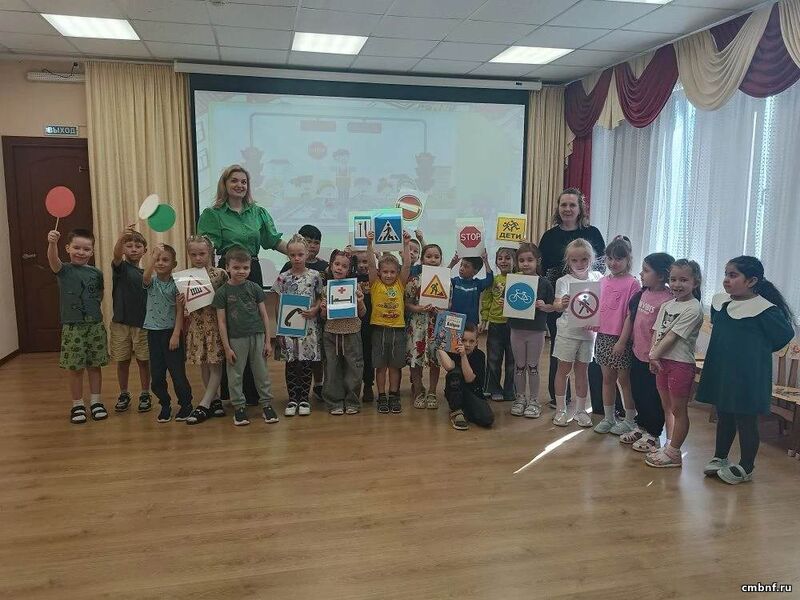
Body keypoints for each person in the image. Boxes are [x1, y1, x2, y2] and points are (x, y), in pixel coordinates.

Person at [696, 256, 794, 484]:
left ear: (751, 281)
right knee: (724, 415)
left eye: (733, 275)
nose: (726, 280)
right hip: (723, 370)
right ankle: (720, 457)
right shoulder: (720, 302)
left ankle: (746, 466)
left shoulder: (765, 310)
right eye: (726, 274)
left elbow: (783, 336)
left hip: (749, 375)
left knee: (746, 419)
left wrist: (754, 353)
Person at [197, 164, 287, 407]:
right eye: (234, 181)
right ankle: (233, 392)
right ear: (225, 184)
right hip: (226, 274)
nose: (239, 185)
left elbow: (274, 241)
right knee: (233, 328)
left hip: (252, 271)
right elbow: (205, 250)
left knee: (253, 327)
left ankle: (253, 391)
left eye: (244, 182)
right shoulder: (212, 214)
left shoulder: (258, 212)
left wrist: (298, 254)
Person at [539, 188, 606, 408]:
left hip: (589, 305)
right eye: (563, 205)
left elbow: (602, 267)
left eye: (572, 205)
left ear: (580, 208)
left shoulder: (593, 233)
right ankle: (559, 399)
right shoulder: (549, 236)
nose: (567, 209)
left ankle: (596, 403)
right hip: (559, 300)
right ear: (558, 208)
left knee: (589, 356)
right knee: (560, 351)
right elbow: (542, 269)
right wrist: (555, 302)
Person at [644, 260, 704, 468]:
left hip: (680, 364)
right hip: (662, 361)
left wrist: (654, 355)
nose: (677, 284)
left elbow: (672, 336)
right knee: (667, 407)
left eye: (684, 280)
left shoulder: (694, 308)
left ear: (695, 282)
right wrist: (653, 356)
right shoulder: (667, 305)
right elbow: (657, 332)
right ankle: (669, 445)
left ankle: (674, 452)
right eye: (674, 279)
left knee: (679, 410)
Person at [47, 228, 109, 424]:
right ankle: (77, 404)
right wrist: (52, 243)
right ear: (68, 248)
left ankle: (96, 402)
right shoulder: (64, 270)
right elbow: (53, 260)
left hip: (95, 326)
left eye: (86, 249)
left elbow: (99, 295)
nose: (81, 252)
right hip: (73, 327)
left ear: (92, 251)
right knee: (75, 368)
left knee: (95, 366)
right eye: (76, 248)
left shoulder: (97, 273)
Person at [213, 246, 278, 426]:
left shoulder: (255, 288)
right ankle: (239, 408)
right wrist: (227, 347)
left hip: (257, 336)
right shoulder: (222, 293)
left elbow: (264, 315)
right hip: (235, 339)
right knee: (235, 374)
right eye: (236, 267)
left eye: (245, 268)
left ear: (250, 268)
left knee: (261, 372)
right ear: (227, 267)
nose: (241, 271)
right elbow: (221, 322)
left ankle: (266, 404)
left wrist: (267, 341)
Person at [619, 253, 675, 453]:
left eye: (646, 270)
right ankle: (641, 426)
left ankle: (653, 433)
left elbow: (664, 332)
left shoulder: (668, 300)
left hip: (654, 359)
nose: (641, 274)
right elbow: (633, 319)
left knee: (653, 397)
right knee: (639, 392)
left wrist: (655, 354)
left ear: (661, 275)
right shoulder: (643, 293)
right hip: (638, 353)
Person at [551, 239, 602, 427]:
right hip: (567, 334)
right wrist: (561, 303)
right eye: (574, 260)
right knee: (563, 371)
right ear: (568, 261)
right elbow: (557, 305)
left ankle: (581, 411)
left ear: (591, 259)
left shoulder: (598, 277)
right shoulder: (563, 281)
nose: (579, 264)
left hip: (588, 336)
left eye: (584, 259)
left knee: (582, 372)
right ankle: (560, 410)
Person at [593, 236, 640, 435]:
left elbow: (631, 315)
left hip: (622, 339)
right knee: (607, 379)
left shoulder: (633, 283)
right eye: (610, 258)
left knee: (624, 380)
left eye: (619, 258)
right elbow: (596, 307)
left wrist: (622, 341)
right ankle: (609, 418)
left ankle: (629, 420)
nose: (613, 263)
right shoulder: (602, 281)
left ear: (628, 259)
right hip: (603, 337)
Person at [142, 244, 193, 423]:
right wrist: (153, 256)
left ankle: (186, 404)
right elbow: (145, 276)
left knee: (178, 375)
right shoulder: (151, 282)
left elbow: (179, 311)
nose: (160, 263)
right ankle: (165, 404)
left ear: (174, 264)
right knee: (156, 376)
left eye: (165, 260)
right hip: (153, 334)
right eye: (157, 260)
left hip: (171, 334)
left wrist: (176, 334)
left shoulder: (177, 284)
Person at [274, 235, 323, 417]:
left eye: (300, 254)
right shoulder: (283, 278)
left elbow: (320, 297)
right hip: (288, 328)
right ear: (288, 255)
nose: (296, 258)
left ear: (306, 254)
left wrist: (315, 309)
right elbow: (278, 303)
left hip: (308, 327)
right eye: (292, 255)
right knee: (291, 362)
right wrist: (279, 327)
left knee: (306, 362)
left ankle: (304, 399)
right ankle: (292, 399)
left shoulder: (315, 276)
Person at [183, 235, 229, 425]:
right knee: (203, 363)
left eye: (202, 253)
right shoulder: (185, 276)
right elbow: (185, 305)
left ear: (210, 252)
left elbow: (228, 298)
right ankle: (214, 399)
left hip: (215, 326)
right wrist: (183, 303)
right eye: (193, 254)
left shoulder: (220, 274)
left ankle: (204, 404)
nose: (198, 258)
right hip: (197, 326)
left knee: (215, 364)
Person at [367, 229, 412, 414]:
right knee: (380, 367)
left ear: (397, 272)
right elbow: (371, 265)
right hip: (379, 330)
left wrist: (406, 244)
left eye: (392, 272)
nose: (388, 275)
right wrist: (369, 244)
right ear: (379, 272)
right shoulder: (375, 283)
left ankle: (394, 395)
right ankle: (382, 396)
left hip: (398, 331)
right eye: (385, 272)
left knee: (395, 366)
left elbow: (407, 265)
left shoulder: (400, 284)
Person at [508, 242, 555, 418]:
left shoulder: (544, 283)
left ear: (537, 261)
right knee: (519, 366)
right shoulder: (513, 281)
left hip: (536, 330)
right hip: (516, 329)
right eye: (521, 260)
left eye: (530, 260)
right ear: (517, 262)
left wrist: (544, 306)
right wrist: (504, 303)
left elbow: (553, 307)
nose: (525, 264)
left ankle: (534, 400)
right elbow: (508, 302)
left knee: (533, 366)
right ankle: (520, 398)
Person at [319, 249, 367, 415]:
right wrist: (323, 309)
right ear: (331, 266)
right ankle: (334, 402)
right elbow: (324, 317)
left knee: (354, 368)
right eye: (337, 264)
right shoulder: (326, 289)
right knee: (332, 368)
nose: (339, 268)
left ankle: (352, 401)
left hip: (352, 332)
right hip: (331, 333)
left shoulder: (355, 287)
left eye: (344, 266)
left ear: (349, 270)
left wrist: (360, 302)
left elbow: (362, 313)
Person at [109, 226, 151, 413]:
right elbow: (116, 255)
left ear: (144, 250)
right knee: (122, 360)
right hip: (121, 323)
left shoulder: (147, 274)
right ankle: (124, 393)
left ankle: (145, 393)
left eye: (138, 246)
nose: (133, 249)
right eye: (129, 245)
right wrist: (121, 237)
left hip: (142, 324)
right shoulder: (121, 268)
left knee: (143, 361)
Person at [406, 243, 444, 410]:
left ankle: (432, 391)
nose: (433, 260)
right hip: (417, 325)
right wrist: (419, 308)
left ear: (441, 259)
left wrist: (440, 309)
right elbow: (407, 303)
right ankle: (418, 390)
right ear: (422, 260)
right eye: (428, 256)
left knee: (435, 359)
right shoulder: (414, 280)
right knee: (416, 359)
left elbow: (448, 303)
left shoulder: (445, 280)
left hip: (436, 325)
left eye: (436, 257)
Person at [437, 323, 495, 430]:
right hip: (455, 390)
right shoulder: (454, 352)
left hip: (472, 392)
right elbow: (449, 366)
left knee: (487, 419)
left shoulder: (479, 355)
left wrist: (463, 356)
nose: (467, 344)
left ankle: (465, 410)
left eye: (471, 341)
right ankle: (457, 411)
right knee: (455, 373)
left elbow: (469, 379)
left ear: (476, 342)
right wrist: (440, 347)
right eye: (463, 340)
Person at [480, 247, 516, 402]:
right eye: (500, 258)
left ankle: (510, 390)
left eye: (508, 258)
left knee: (513, 360)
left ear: (515, 261)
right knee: (493, 359)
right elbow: (487, 300)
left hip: (514, 325)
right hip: (495, 323)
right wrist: (484, 319)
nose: (503, 261)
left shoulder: (520, 279)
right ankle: (493, 388)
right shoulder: (494, 280)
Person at [448, 252, 493, 329]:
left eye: (466, 266)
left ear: (475, 272)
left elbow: (490, 279)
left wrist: (486, 261)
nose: (461, 268)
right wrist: (452, 263)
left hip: (471, 322)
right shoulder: (455, 281)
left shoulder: (477, 284)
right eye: (461, 265)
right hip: (454, 320)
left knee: (470, 337)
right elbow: (443, 276)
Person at [355, 250, 375, 403]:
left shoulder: (376, 278)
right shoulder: (349, 278)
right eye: (358, 262)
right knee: (355, 356)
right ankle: (354, 387)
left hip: (371, 324)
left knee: (368, 355)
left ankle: (368, 385)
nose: (362, 265)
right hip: (353, 324)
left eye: (365, 261)